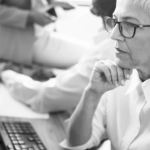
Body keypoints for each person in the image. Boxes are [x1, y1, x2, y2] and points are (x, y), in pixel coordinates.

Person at [60, 0, 150, 149]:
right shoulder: (116, 79)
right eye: (115, 21)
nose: (114, 35)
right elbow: (75, 144)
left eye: (129, 25)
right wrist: (92, 93)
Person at [0, 0, 116, 113]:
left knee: (86, 58)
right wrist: (30, 16)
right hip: (21, 39)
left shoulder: (105, 52)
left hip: (41, 35)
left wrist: (7, 74)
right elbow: (44, 97)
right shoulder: (105, 51)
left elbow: (43, 97)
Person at [0, 0, 94, 69]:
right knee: (91, 56)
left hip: (44, 33)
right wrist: (29, 16)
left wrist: (55, 3)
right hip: (23, 42)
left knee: (92, 55)